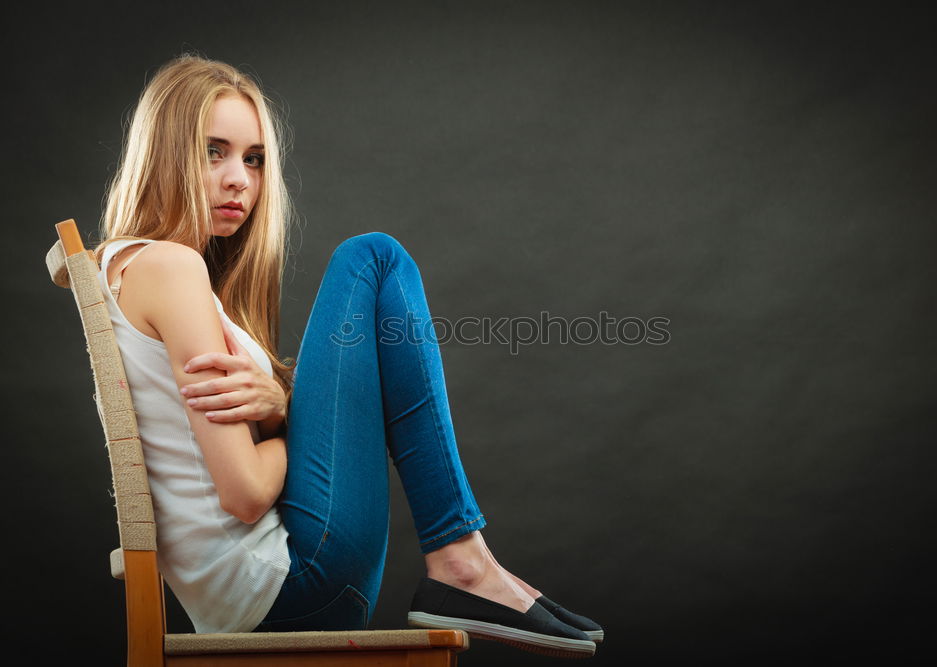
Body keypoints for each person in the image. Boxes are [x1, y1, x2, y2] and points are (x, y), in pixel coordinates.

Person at [94, 53, 602, 659]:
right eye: (214, 151)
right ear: (163, 151)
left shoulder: (124, 268)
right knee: (374, 257)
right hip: (291, 585)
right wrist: (297, 426)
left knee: (372, 268)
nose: (241, 180)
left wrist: (283, 407)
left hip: (261, 591)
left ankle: (466, 562)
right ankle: (461, 560)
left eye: (255, 160)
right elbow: (246, 492)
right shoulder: (171, 268)